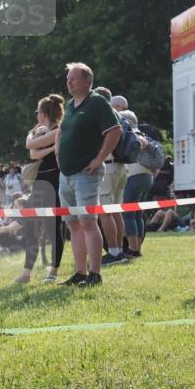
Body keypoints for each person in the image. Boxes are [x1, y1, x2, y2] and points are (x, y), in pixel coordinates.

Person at [56, 63, 122, 287]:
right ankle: (80, 272)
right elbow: (62, 133)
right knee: (73, 225)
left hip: (86, 173)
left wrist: (99, 158)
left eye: (74, 78)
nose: (69, 81)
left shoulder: (97, 102)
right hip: (66, 174)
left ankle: (95, 273)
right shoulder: (70, 105)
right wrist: (58, 155)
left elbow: (114, 130)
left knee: (88, 222)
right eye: (68, 78)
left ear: (87, 81)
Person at [16, 94, 66, 283]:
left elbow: (30, 145)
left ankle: (53, 271)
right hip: (40, 182)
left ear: (44, 113)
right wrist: (47, 148)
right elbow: (32, 153)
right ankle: (27, 272)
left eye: (38, 112)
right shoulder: (43, 131)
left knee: (54, 228)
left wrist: (37, 143)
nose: (36, 115)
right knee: (30, 226)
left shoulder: (57, 130)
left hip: (54, 181)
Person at [99, 95, 130, 265]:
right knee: (116, 211)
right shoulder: (120, 116)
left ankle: (113, 252)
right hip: (120, 167)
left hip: (108, 166)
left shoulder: (104, 115)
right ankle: (119, 250)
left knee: (105, 212)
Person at [119, 109, 152, 258]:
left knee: (128, 215)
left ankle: (133, 249)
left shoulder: (133, 135)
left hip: (134, 176)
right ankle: (137, 248)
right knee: (138, 214)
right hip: (146, 176)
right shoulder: (142, 134)